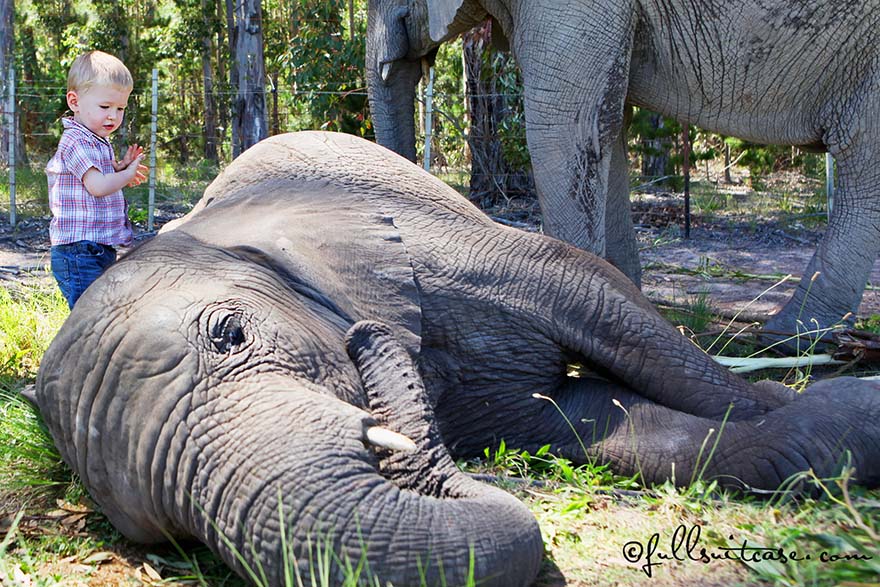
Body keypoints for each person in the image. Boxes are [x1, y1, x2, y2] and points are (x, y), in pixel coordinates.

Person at [46, 50, 148, 309]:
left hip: (97, 246)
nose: (113, 116)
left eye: (120, 108)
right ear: (74, 101)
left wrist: (121, 167)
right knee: (88, 315)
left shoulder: (96, 140)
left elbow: (101, 176)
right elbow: (97, 185)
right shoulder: (76, 141)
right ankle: (75, 351)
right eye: (105, 107)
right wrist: (125, 176)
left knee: (99, 313)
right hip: (79, 250)